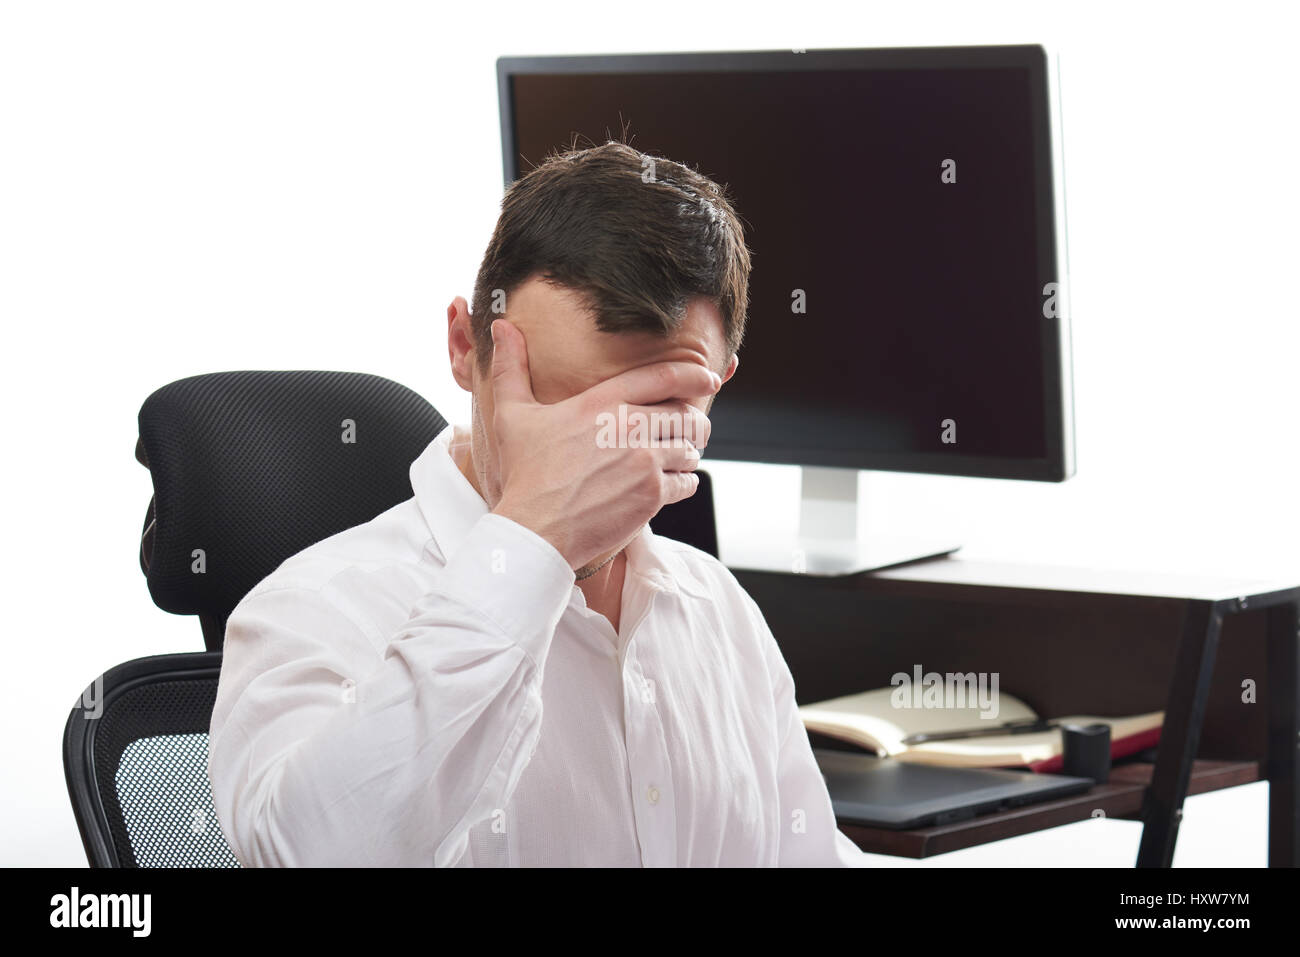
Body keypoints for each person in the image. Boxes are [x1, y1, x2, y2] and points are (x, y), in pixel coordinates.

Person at [208, 140, 868, 866]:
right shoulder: (312, 609)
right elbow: (307, 854)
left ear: (719, 386)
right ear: (465, 347)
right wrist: (533, 536)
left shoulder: (721, 613)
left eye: (659, 408)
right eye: (564, 402)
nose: (601, 454)